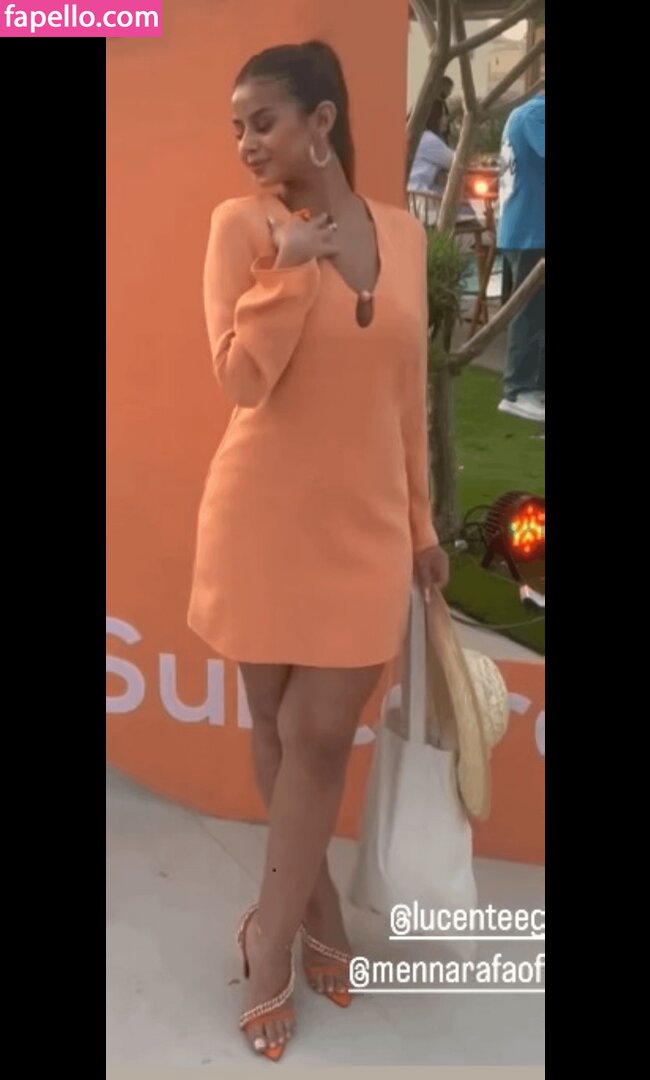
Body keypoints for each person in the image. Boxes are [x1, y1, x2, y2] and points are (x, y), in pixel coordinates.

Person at [187, 40, 449, 1061]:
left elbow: (404, 402)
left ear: (322, 121)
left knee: (318, 732)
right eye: (237, 128)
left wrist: (422, 528)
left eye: (262, 121)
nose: (246, 143)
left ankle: (269, 937)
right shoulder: (240, 227)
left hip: (368, 530)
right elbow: (239, 381)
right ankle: (315, 913)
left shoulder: (403, 234)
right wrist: (290, 267)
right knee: (277, 725)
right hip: (260, 518)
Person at [496, 92, 545, 422]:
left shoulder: (529, 113)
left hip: (531, 227)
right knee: (529, 311)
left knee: (537, 311)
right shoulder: (535, 115)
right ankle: (518, 389)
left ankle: (534, 386)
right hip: (530, 229)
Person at [407, 95, 455, 194]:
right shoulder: (428, 139)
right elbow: (457, 162)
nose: (446, 120)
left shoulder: (411, 135)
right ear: (433, 117)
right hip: (419, 195)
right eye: (443, 115)